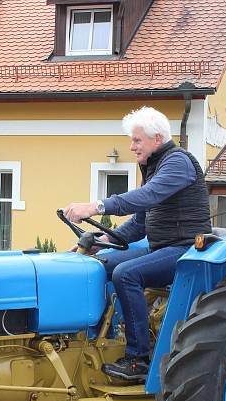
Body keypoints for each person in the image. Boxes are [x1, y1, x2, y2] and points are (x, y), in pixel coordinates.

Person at [63, 106, 211, 381]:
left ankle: (138, 358)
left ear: (157, 139)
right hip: (161, 247)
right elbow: (140, 223)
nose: (131, 147)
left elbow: (148, 196)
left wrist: (97, 206)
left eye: (136, 140)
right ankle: (102, 336)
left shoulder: (178, 162)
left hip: (185, 250)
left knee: (126, 274)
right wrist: (101, 242)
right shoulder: (154, 166)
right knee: (101, 263)